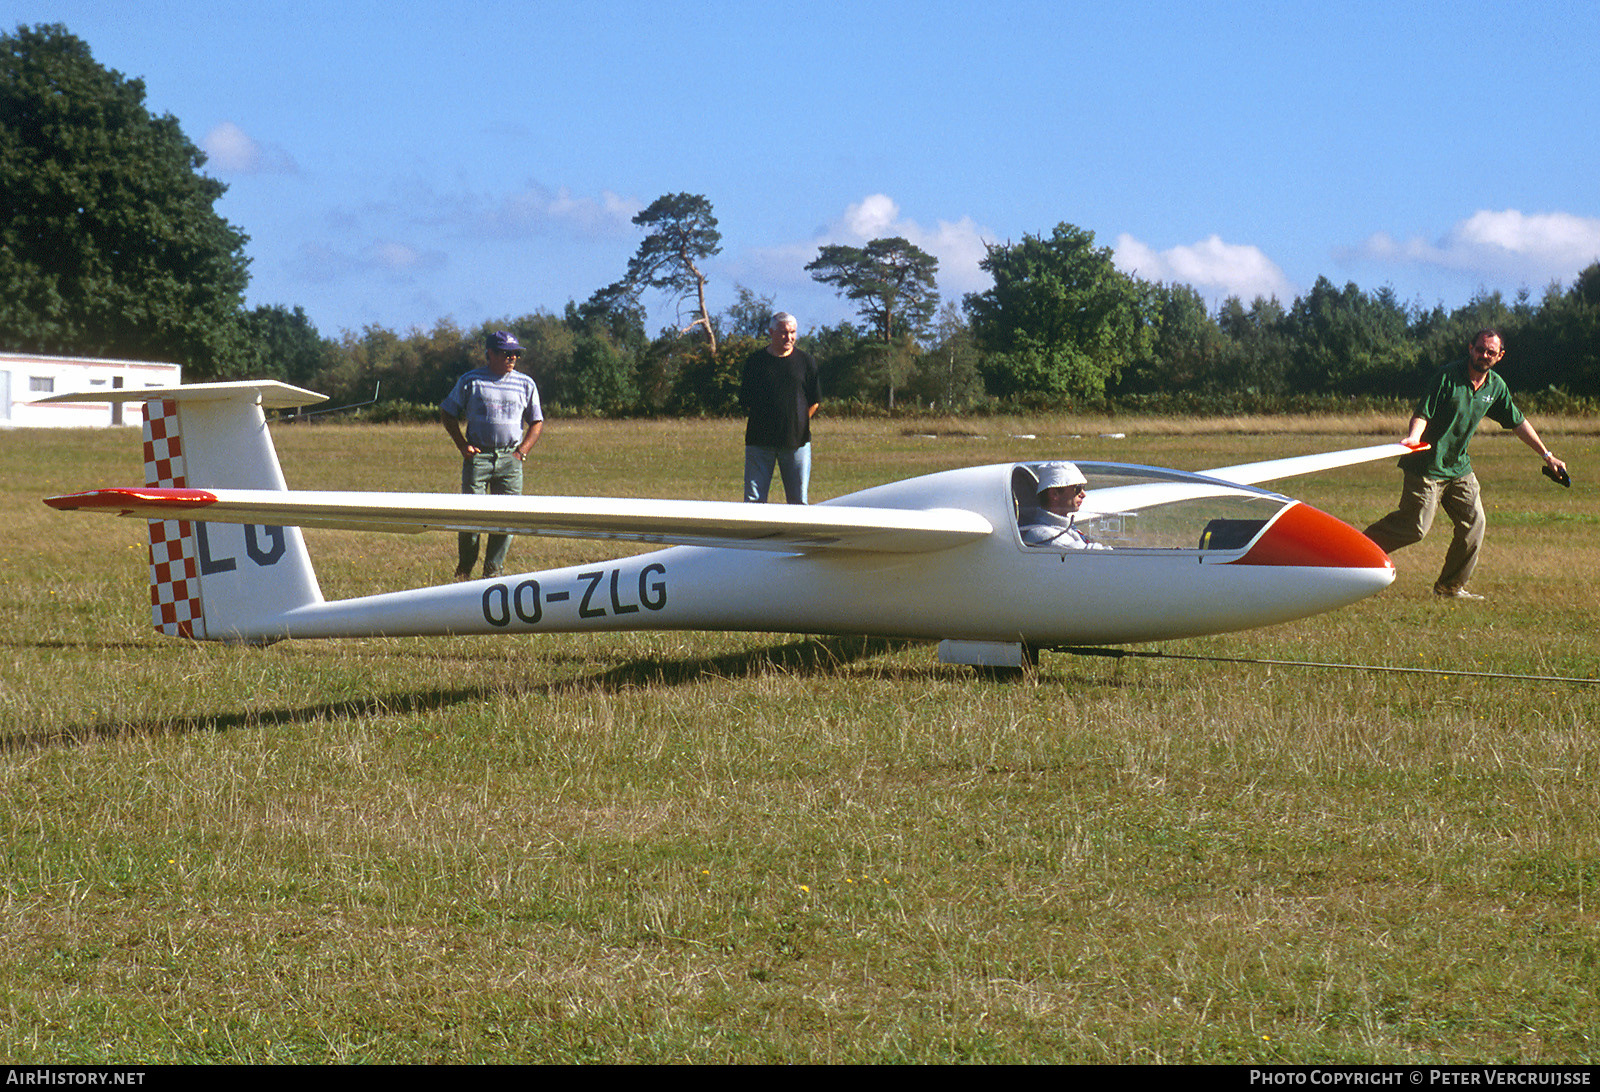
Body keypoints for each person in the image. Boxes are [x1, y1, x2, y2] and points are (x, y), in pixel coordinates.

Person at [1363, 328, 1568, 600]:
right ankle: (1353, 553)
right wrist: (1414, 437)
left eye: (1490, 352)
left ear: (1499, 356)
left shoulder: (1495, 386)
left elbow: (1518, 422)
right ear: (1470, 348)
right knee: (1415, 527)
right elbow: (1423, 412)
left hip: (1459, 469)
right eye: (1480, 349)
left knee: (1475, 524)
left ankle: (1449, 588)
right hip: (1427, 467)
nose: (1484, 355)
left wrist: (1547, 455)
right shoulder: (1447, 376)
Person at [440, 330, 544, 580]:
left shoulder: (526, 383)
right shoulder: (470, 380)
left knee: (507, 519)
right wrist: (462, 445)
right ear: (491, 354)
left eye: (516, 354)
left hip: (511, 459)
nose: (512, 358)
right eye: (507, 353)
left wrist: (521, 452)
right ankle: (464, 569)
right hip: (479, 457)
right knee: (471, 518)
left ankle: (493, 572)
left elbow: (536, 421)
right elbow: (447, 411)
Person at [741, 312, 820, 504]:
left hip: (797, 443)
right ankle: (755, 534)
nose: (789, 337)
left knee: (798, 502)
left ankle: (797, 534)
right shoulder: (755, 362)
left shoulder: (806, 362)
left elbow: (815, 400)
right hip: (759, 442)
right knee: (753, 501)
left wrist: (799, 421)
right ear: (771, 332)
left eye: (792, 332)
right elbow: (746, 400)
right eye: (784, 332)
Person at [1020, 461, 1109, 549]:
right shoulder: (1047, 537)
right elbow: (1092, 556)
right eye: (1077, 488)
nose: (1083, 494)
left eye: (1083, 488)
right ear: (1054, 494)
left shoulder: (1064, 528)